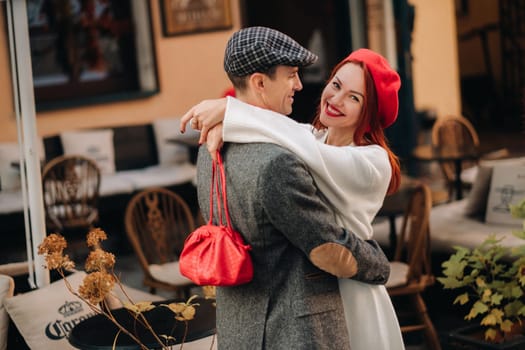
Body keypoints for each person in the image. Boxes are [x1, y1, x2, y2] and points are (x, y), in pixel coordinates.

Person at [181, 47, 405, 349]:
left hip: (350, 289)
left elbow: (290, 139)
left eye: (354, 98)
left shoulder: (371, 161)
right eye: (336, 85)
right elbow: (284, 134)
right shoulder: (312, 137)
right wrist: (227, 124)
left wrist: (229, 110)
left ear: (370, 112)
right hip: (316, 292)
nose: (336, 99)